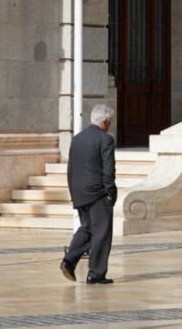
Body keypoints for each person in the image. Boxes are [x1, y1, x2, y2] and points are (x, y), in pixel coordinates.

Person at [60, 103, 118, 285]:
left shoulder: (77, 139)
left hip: (79, 192)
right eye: (110, 122)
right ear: (105, 121)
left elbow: (71, 168)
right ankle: (96, 273)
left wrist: (73, 193)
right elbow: (108, 170)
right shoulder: (105, 139)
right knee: (102, 232)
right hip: (97, 193)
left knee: (88, 228)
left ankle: (68, 261)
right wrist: (110, 191)